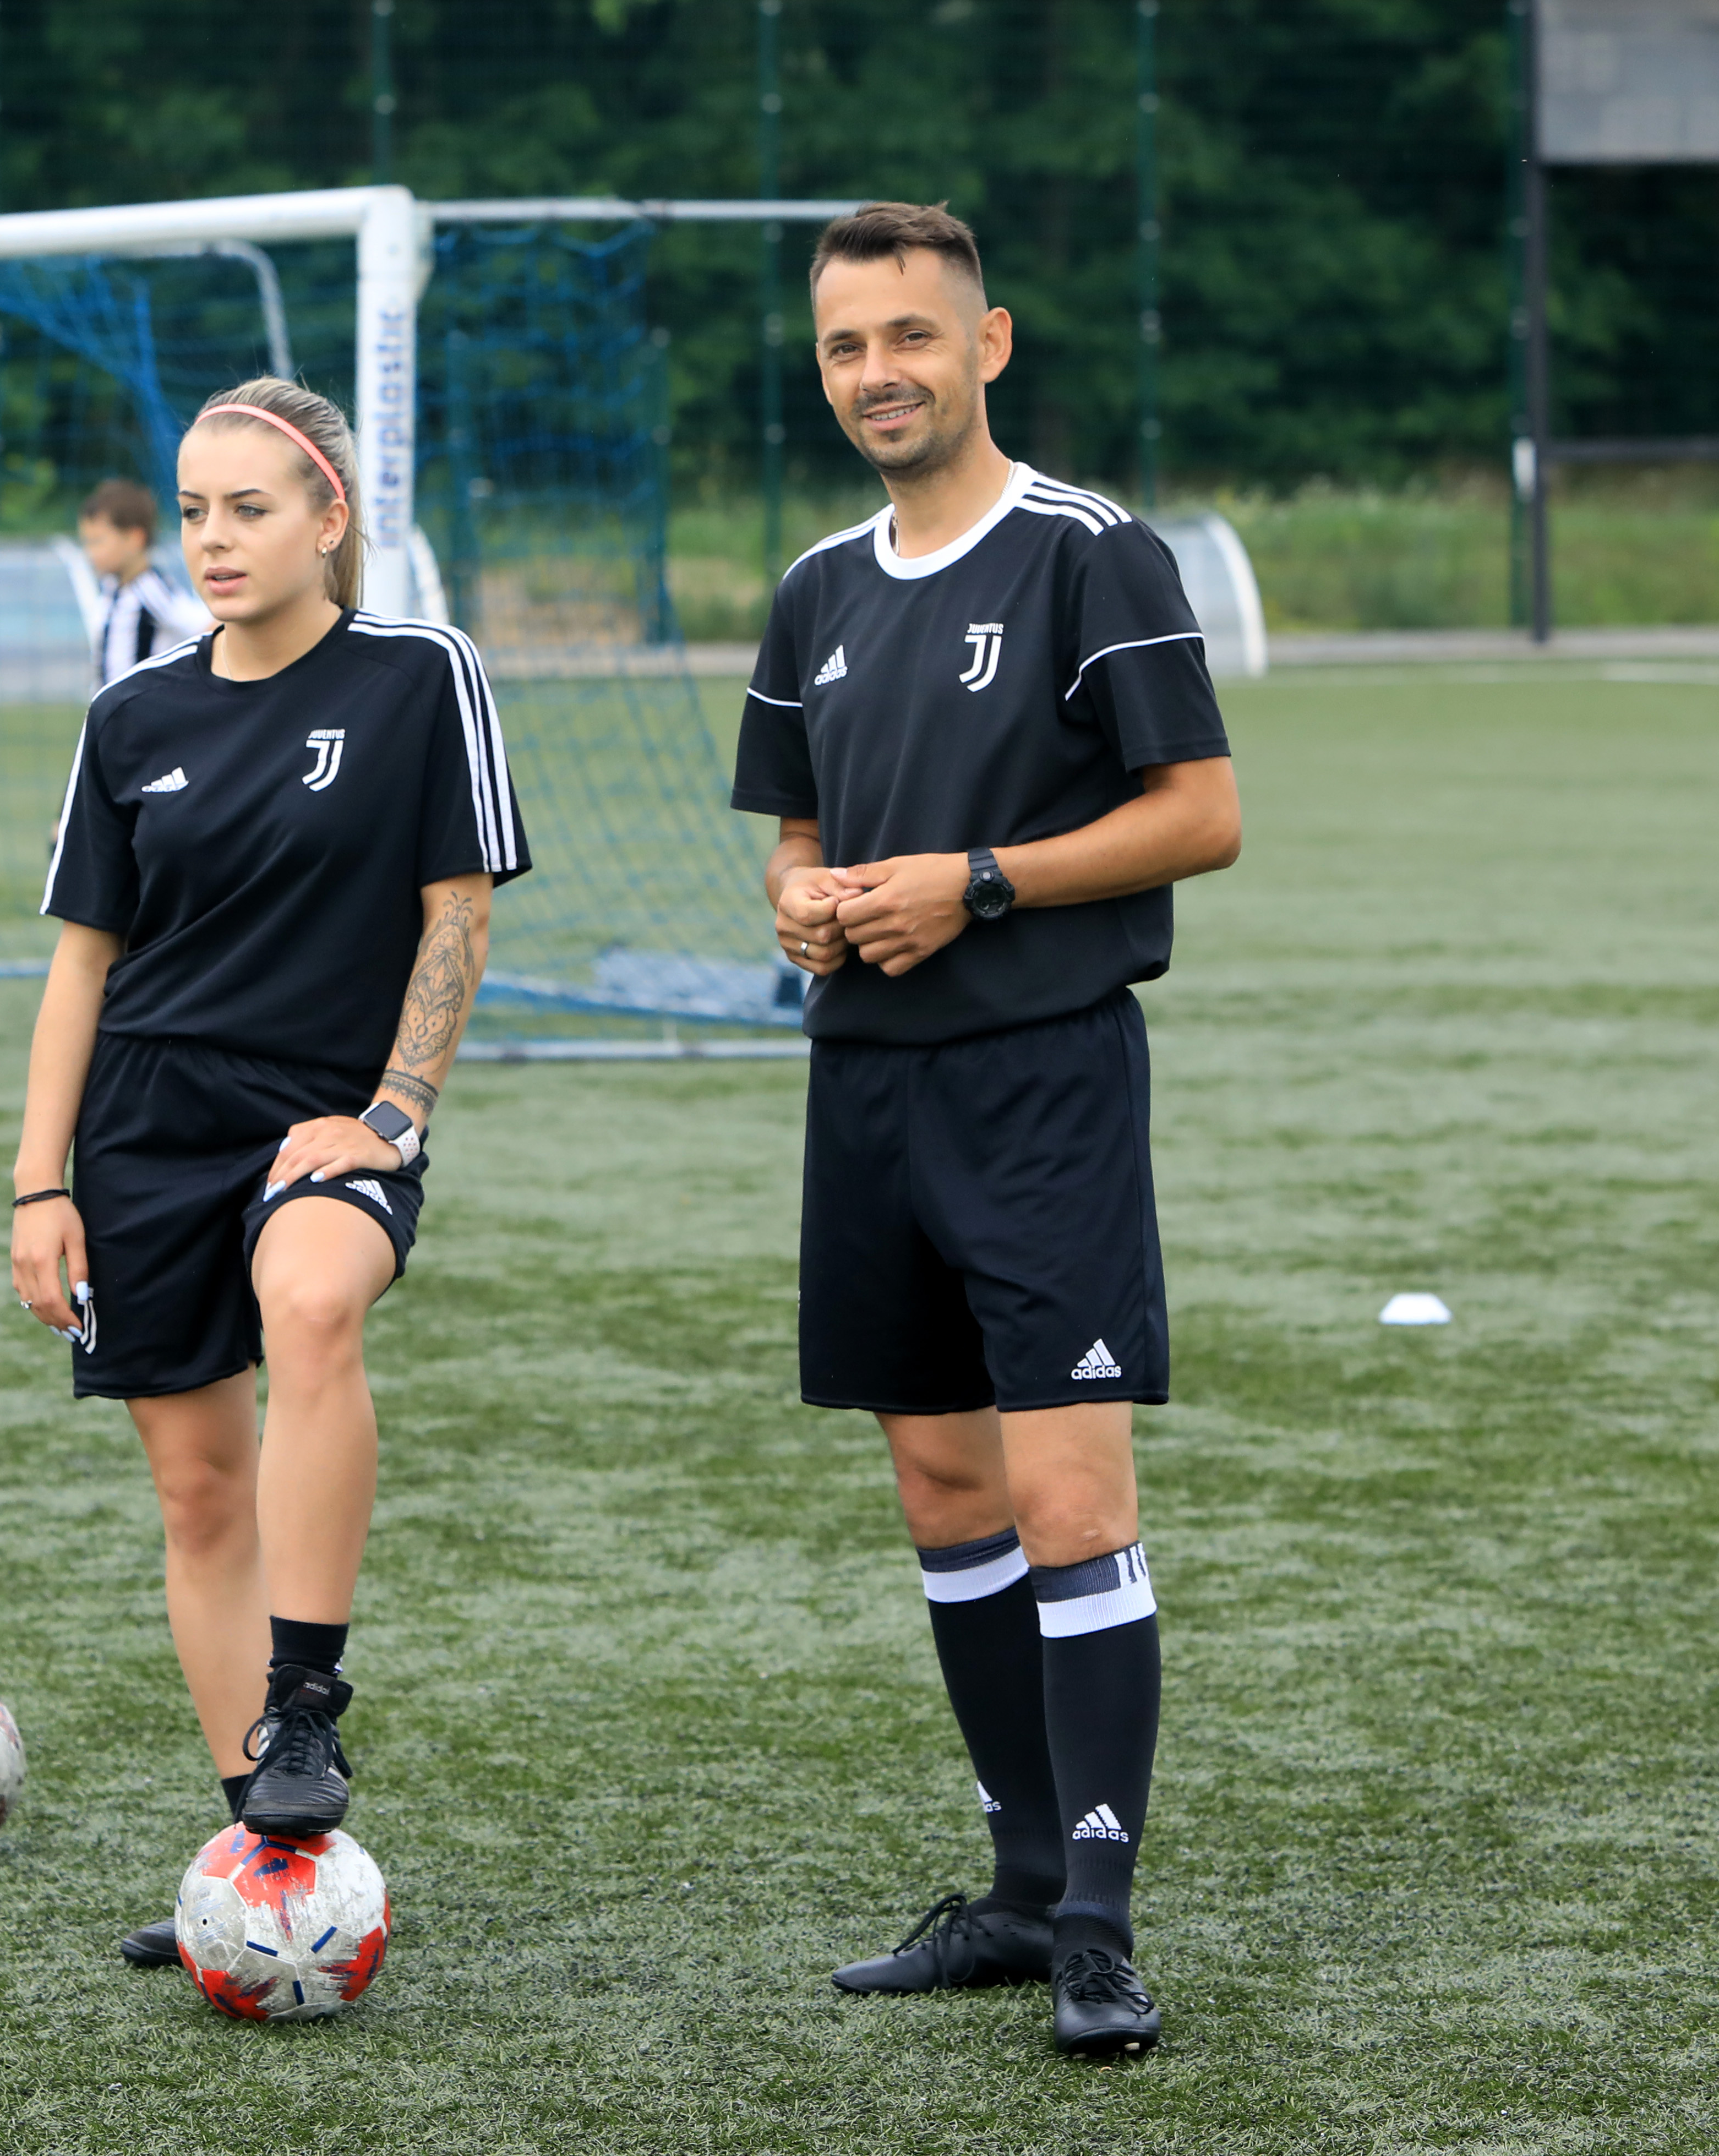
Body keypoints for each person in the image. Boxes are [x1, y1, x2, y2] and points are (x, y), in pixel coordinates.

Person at [733, 203, 1239, 2059]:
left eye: (908, 337)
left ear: (985, 343)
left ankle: (1097, 1924)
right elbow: (793, 829)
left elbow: (1199, 812)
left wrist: (980, 881)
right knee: (943, 1493)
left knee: (1067, 1500)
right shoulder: (814, 588)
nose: (877, 373)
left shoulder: (1087, 551)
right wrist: (801, 900)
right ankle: (1021, 1889)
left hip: (1041, 1082)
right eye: (844, 346)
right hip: (863, 1088)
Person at [14, 378, 528, 1971]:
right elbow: (82, 964)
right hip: (142, 1128)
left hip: (322, 1115)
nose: (214, 539)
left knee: (310, 1301)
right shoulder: (132, 715)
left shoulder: (417, 673)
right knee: (195, 1489)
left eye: (249, 507)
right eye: (193, 510)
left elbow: (458, 907)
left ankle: (304, 1702)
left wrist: (394, 1108)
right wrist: (39, 1183)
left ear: (329, 517)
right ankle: (265, 1853)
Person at [78, 477, 212, 691]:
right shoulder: (110, 588)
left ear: (135, 538)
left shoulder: (150, 590)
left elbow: (205, 627)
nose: (90, 553)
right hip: (110, 705)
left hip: (138, 707)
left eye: (98, 542)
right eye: (87, 542)